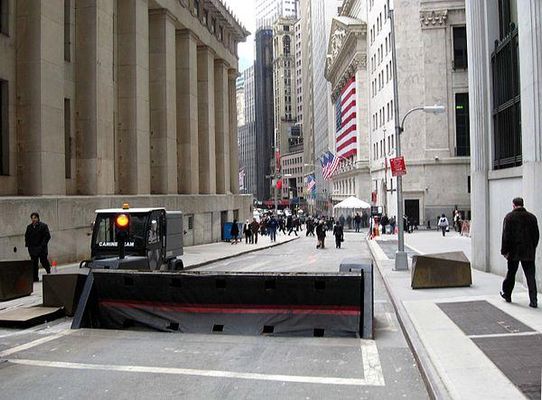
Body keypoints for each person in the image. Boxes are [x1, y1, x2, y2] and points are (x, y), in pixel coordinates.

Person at [500, 197, 539, 308]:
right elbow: (536, 236)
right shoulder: (532, 217)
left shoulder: (509, 217)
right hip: (528, 251)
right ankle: (533, 301)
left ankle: (507, 294)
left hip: (513, 252)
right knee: (530, 276)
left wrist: (504, 251)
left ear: (513, 205)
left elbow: (505, 236)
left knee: (511, 274)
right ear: (523, 204)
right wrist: (532, 247)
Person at [25, 212, 52, 282]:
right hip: (33, 249)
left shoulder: (43, 226)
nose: (33, 219)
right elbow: (27, 237)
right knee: (34, 264)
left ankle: (48, 271)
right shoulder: (29, 227)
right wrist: (29, 247)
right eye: (32, 218)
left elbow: (47, 236)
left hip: (41, 248)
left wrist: (42, 245)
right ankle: (35, 278)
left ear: (38, 218)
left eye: (35, 218)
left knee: (43, 261)